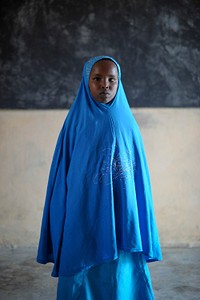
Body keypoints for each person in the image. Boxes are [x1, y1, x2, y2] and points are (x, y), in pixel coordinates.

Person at [37, 56, 162, 300]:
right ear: (86, 81)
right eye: (97, 79)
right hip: (83, 207)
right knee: (81, 252)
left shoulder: (127, 123)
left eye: (111, 79)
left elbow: (137, 178)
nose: (105, 84)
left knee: (120, 264)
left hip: (120, 210)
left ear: (119, 83)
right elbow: (63, 170)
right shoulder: (75, 123)